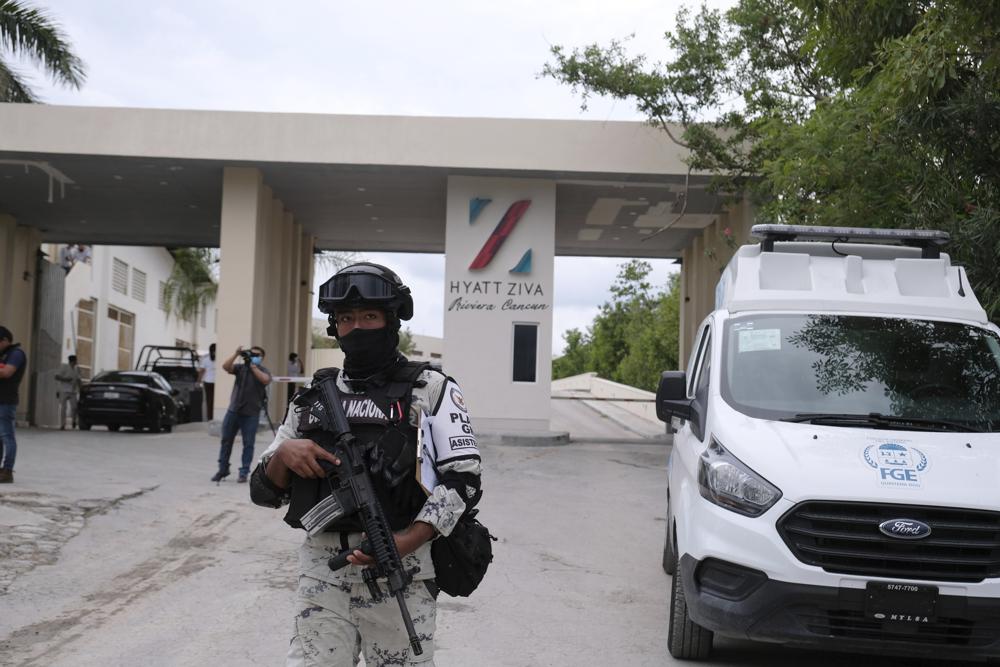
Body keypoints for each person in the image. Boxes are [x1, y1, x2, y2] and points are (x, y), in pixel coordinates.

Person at [249, 262, 483, 666]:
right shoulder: (311, 398)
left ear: (392, 320)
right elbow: (262, 491)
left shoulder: (430, 389)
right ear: (334, 327)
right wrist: (284, 456)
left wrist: (408, 539)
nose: (356, 328)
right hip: (323, 574)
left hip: (402, 572)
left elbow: (464, 481)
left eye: (369, 316)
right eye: (346, 319)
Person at [211, 345, 272, 483]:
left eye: (256, 355)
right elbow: (226, 367)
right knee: (226, 441)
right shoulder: (241, 368)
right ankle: (223, 469)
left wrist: (253, 366)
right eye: (251, 354)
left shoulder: (262, 370)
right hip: (233, 411)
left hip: (251, 413)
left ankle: (244, 472)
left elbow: (265, 380)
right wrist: (236, 354)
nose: (253, 357)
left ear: (261, 358)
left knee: (248, 444)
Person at [0, 326, 28, 484]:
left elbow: (6, 372)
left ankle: (8, 470)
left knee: (7, 436)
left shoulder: (16, 354)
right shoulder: (4, 355)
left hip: (6, 401)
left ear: (5, 340)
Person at [55, 354, 83, 430]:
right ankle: (62, 424)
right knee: (63, 408)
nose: (76, 362)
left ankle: (74, 421)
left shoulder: (77, 369)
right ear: (72, 361)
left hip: (73, 391)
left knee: (74, 407)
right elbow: (56, 376)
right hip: (64, 390)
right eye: (75, 361)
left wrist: (81, 388)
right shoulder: (64, 367)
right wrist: (65, 379)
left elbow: (78, 380)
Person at [198, 343, 217, 420]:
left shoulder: (205, 359)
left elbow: (201, 371)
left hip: (208, 382)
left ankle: (210, 418)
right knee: (216, 401)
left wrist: (198, 381)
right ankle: (215, 417)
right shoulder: (220, 358)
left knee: (209, 401)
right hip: (217, 383)